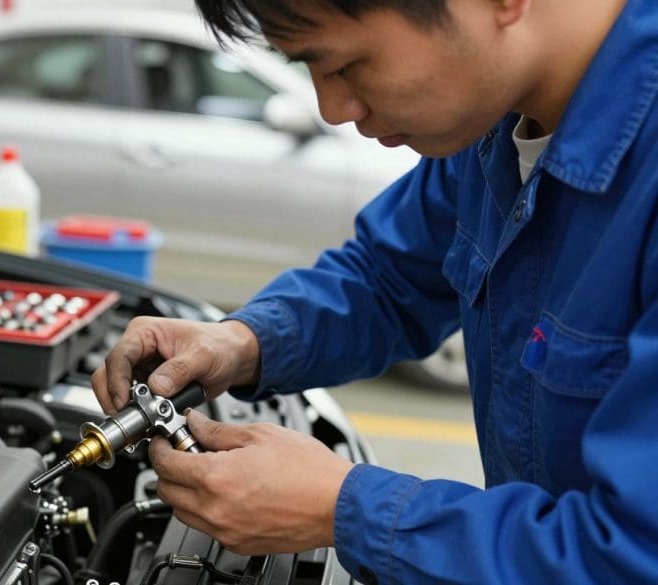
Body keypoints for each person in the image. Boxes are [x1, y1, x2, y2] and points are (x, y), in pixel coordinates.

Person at [90, 0, 658, 583]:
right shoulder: (495, 124)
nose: (333, 110)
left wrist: (342, 507)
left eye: (342, 65)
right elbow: (389, 277)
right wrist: (243, 341)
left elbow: (634, 556)